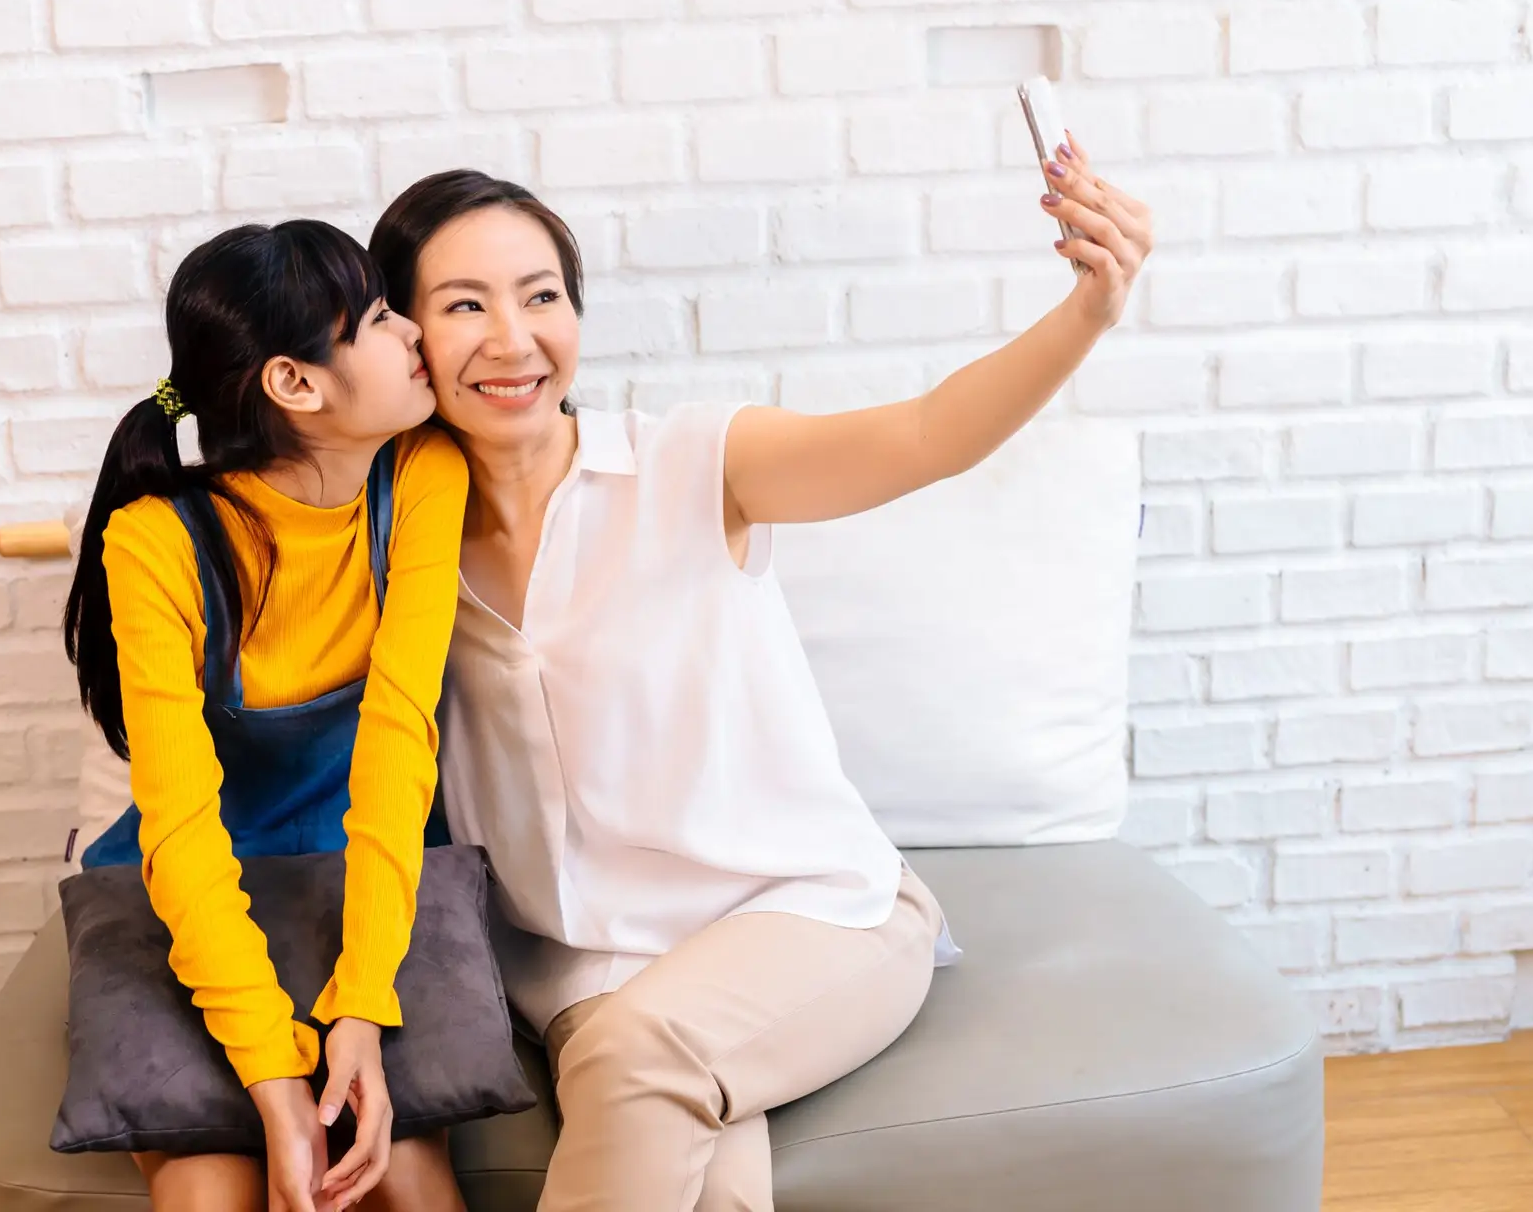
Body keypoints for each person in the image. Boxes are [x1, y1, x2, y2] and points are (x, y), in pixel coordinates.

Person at [368, 141, 1152, 1212]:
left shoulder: (695, 463)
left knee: (641, 1060)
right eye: (463, 305)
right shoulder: (397, 546)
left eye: (541, 294)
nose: (513, 338)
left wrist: (1088, 312)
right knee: (704, 1178)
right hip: (588, 966)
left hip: (811, 916)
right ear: (405, 340)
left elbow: (926, 434)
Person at [62, 222, 470, 1212]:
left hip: (367, 888)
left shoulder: (422, 475)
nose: (413, 329)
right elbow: (182, 827)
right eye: (377, 317)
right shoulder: (154, 539)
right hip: (194, 899)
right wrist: (274, 1080)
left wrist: (362, 1010)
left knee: (403, 1175)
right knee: (210, 1187)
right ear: (295, 383)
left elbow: (396, 751)